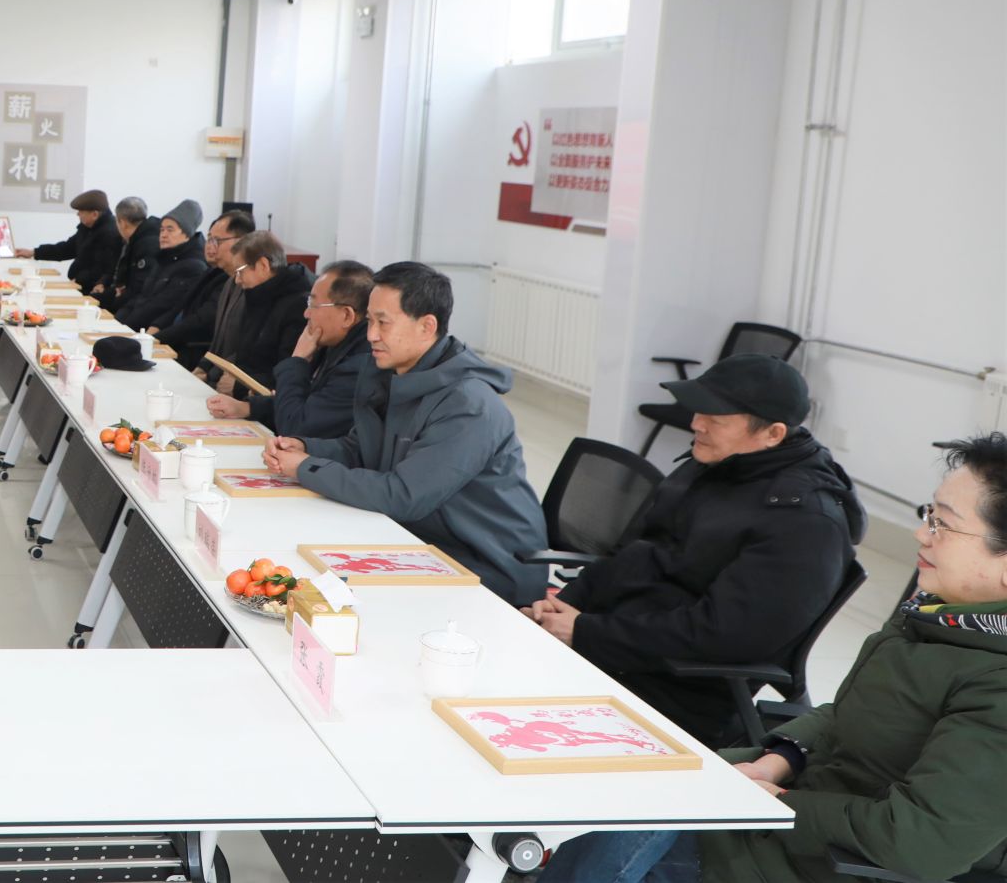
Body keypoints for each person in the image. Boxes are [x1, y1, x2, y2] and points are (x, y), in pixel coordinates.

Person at [537, 435, 1007, 883]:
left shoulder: (992, 681)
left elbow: (921, 841)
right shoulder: (935, 618)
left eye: (944, 524)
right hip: (787, 815)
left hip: (817, 860)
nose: (921, 533)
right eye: (929, 514)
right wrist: (782, 757)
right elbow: (847, 713)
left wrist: (780, 804)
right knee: (636, 785)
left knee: (625, 828)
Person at [527, 355, 863, 745]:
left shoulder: (804, 523)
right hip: (616, 647)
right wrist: (562, 608)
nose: (696, 424)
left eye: (716, 419)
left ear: (772, 434)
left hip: (675, 690)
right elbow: (631, 554)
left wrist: (587, 632)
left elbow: (723, 635)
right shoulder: (716, 464)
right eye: (699, 411)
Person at [261, 261, 547, 605]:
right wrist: (305, 447)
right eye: (370, 321)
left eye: (383, 323)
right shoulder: (392, 372)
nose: (371, 335)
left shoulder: (468, 404)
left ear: (427, 326)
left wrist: (305, 468)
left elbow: (404, 496)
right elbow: (361, 449)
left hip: (484, 563)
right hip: (419, 539)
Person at [211, 261, 376, 443]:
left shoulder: (358, 367)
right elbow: (303, 401)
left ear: (346, 315)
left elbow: (296, 426)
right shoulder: (333, 343)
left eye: (313, 304)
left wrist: (298, 359)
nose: (306, 313)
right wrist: (246, 408)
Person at [154, 209, 252, 369]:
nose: (210, 246)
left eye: (217, 240)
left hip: (194, 352)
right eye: (209, 239)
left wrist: (158, 338)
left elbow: (202, 321)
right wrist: (156, 330)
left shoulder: (238, 282)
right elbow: (180, 306)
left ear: (240, 242)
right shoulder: (215, 273)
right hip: (198, 358)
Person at [217, 231, 313, 391]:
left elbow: (288, 369)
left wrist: (239, 386)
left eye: (240, 271)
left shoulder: (297, 307)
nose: (237, 280)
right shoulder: (257, 296)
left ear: (263, 265)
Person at [119, 200, 209, 333]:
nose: (163, 235)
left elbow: (160, 306)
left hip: (153, 332)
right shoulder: (163, 258)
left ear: (187, 234)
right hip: (136, 326)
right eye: (162, 229)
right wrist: (118, 321)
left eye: (170, 230)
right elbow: (141, 297)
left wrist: (125, 327)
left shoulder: (193, 267)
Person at [19, 189, 123, 296]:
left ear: (94, 214)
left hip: (93, 292)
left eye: (81, 211)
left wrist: (79, 280)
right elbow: (66, 249)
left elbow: (102, 269)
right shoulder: (87, 228)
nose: (78, 214)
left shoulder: (110, 233)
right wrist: (35, 252)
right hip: (78, 285)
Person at [93, 196, 153, 312]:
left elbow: (138, 289)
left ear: (123, 223)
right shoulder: (135, 239)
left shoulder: (145, 245)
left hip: (135, 307)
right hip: (124, 297)